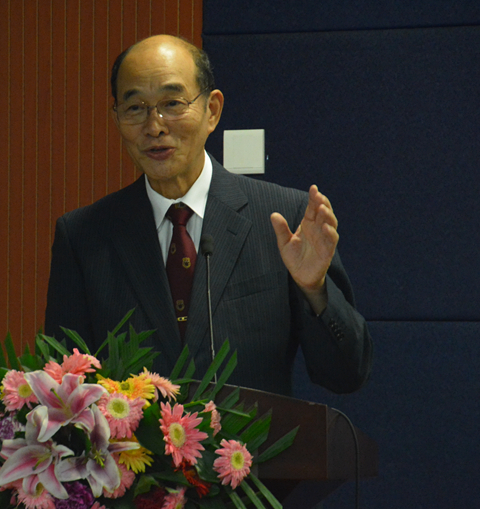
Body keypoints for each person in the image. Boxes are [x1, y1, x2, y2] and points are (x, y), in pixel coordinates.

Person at [44, 35, 372, 396]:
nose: (154, 126)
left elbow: (347, 374)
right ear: (116, 118)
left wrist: (315, 291)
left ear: (212, 110)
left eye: (172, 103)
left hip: (250, 435)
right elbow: (65, 386)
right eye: (135, 108)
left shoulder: (281, 220)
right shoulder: (84, 237)